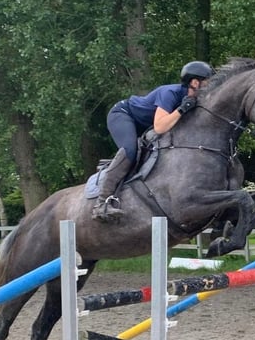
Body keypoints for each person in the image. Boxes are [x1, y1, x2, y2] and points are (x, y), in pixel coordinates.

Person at [92, 60, 215, 222]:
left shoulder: (194, 101)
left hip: (145, 125)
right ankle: (102, 202)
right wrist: (181, 109)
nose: (210, 86)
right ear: (194, 82)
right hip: (123, 114)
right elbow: (159, 127)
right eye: (207, 82)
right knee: (131, 149)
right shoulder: (170, 93)